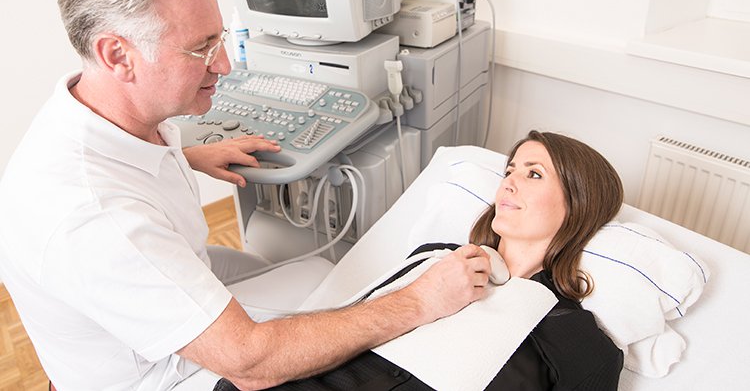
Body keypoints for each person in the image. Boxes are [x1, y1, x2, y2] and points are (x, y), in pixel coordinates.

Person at [0, 0, 491, 391]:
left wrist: (184, 155)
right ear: (117, 55)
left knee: (315, 276)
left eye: (219, 38)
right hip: (152, 375)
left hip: (154, 288)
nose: (224, 64)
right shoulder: (94, 218)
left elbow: (121, 170)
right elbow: (251, 362)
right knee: (323, 283)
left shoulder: (102, 109)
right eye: (201, 48)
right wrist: (419, 301)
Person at [224, 130, 624, 390]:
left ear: (578, 203)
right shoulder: (435, 259)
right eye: (509, 170)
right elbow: (350, 329)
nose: (508, 182)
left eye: (533, 174)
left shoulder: (579, 342)